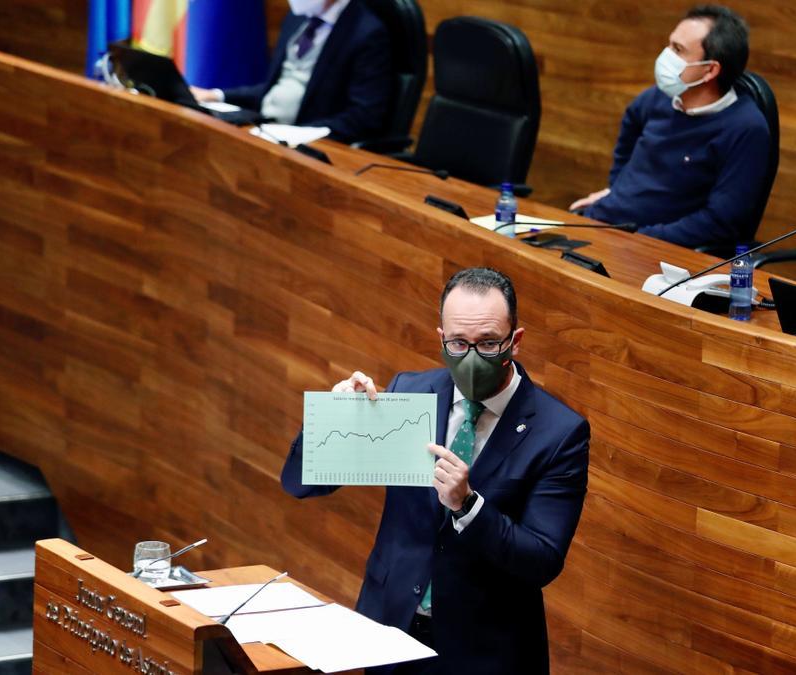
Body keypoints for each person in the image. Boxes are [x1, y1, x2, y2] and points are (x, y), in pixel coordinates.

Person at [280, 268, 590, 673]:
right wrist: (333, 421)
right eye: (459, 343)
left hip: (484, 653)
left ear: (516, 341)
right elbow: (299, 485)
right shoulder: (410, 393)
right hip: (390, 634)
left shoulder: (558, 432)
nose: (473, 357)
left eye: (489, 343)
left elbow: (542, 560)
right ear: (441, 338)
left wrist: (468, 506)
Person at [569, 4, 770, 250]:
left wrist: (642, 238)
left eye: (678, 50)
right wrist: (615, 189)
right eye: (669, 44)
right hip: (603, 223)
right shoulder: (657, 98)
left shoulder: (746, 129)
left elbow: (720, 222)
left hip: (650, 247)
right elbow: (630, 126)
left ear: (710, 70)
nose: (665, 56)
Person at [191, 0, 391, 143]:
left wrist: (302, 133)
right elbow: (276, 87)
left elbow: (365, 115)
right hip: (265, 129)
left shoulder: (366, 33)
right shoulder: (297, 19)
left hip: (308, 141)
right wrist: (217, 95)